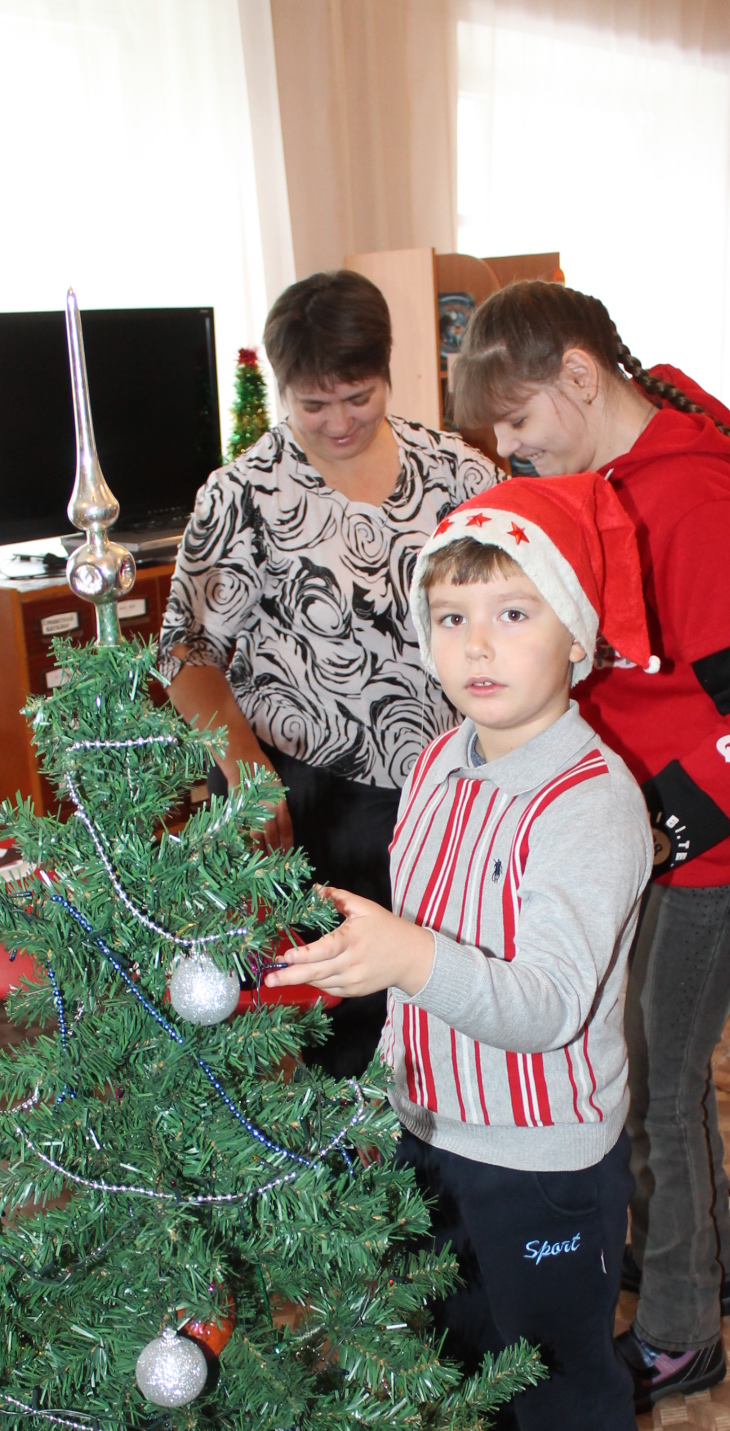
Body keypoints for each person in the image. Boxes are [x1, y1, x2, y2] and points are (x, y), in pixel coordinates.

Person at [268, 473, 665, 1431]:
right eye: (449, 619)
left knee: (558, 1374)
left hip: (543, 1156)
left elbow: (542, 1000)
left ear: (574, 633)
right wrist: (379, 1050)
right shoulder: (438, 759)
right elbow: (422, 939)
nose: (474, 646)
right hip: (430, 1129)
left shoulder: (591, 802)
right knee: (464, 1355)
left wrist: (405, 957)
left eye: (511, 613)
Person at [450, 283, 730, 1412]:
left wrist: (646, 834)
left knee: (654, 1086)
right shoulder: (605, 481)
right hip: (666, 840)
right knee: (662, 1070)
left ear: (577, 375)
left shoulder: (695, 504)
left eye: (516, 424)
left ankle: (675, 1334)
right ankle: (698, 1266)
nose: (508, 451)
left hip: (721, 850)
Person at [158, 269, 497, 1075]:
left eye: (359, 395)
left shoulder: (458, 475)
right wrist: (244, 768)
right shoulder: (242, 496)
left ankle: (448, 1184)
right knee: (344, 1028)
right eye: (313, 405)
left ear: (389, 372)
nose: (340, 422)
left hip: (456, 790)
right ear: (281, 391)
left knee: (455, 1000)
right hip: (314, 798)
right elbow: (187, 652)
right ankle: (353, 1190)